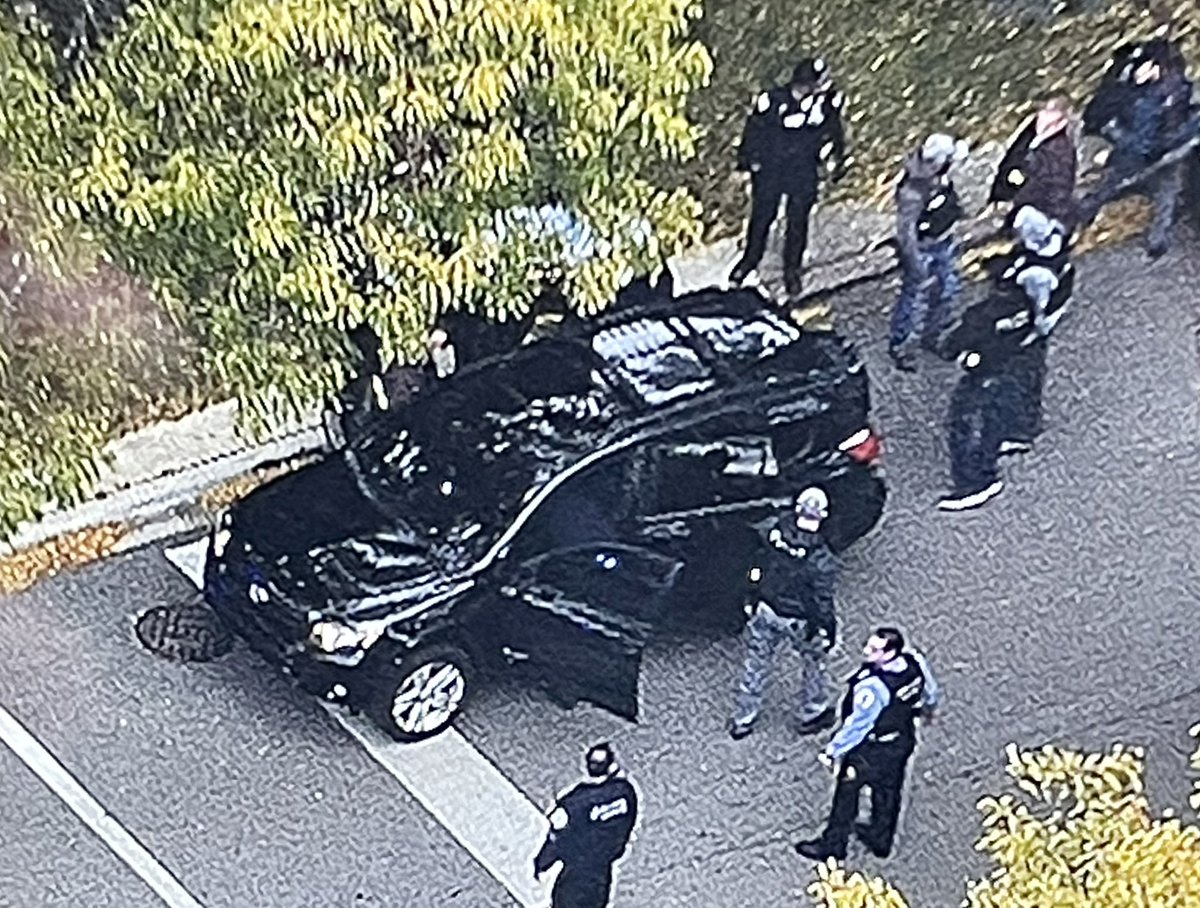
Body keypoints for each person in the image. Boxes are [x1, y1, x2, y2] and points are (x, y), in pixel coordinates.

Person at [795, 627, 940, 861]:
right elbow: (930, 691)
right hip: (901, 740)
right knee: (889, 792)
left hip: (870, 749)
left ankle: (833, 845)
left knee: (846, 795)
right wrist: (928, 710)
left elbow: (858, 725)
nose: (866, 652)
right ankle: (881, 840)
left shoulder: (874, 687)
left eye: (874, 649)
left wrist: (833, 751)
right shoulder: (914, 663)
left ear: (891, 653)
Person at [729, 57, 848, 298]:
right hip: (772, 169)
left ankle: (792, 271)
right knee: (762, 217)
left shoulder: (826, 104)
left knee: (798, 221)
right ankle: (750, 261)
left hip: (803, 170)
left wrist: (837, 160)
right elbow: (753, 131)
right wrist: (748, 162)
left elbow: (835, 131)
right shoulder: (772, 101)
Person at [729, 488, 840, 740]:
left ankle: (743, 718)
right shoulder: (821, 559)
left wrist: (751, 594)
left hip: (766, 607)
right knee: (815, 662)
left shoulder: (773, 533)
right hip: (798, 619)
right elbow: (822, 602)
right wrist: (827, 629)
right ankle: (812, 712)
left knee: (756, 662)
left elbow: (756, 566)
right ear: (823, 515)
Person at [1079, 36, 1195, 257]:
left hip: (1149, 152)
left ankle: (1156, 240)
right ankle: (1157, 242)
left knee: (1108, 189)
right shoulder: (1172, 90)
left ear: (1156, 67)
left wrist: (1113, 139)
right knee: (1165, 192)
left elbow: (1142, 136)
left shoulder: (1153, 97)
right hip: (1164, 150)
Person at [888, 133, 967, 372]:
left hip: (943, 241)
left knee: (947, 289)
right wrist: (915, 264)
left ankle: (932, 335)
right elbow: (906, 232)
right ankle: (900, 344)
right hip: (924, 249)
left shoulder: (939, 178)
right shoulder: (913, 192)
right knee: (913, 300)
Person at [534, 742, 638, 908]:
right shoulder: (625, 793)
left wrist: (542, 862)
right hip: (601, 873)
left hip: (574, 876)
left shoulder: (575, 802)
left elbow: (558, 840)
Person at [989, 96, 1080, 232]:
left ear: (1062, 121)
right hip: (1011, 202)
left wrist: (1013, 204)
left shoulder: (1059, 152)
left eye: (1050, 113)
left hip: (1037, 215)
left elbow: (1056, 191)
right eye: (1042, 111)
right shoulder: (1032, 132)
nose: (1042, 117)